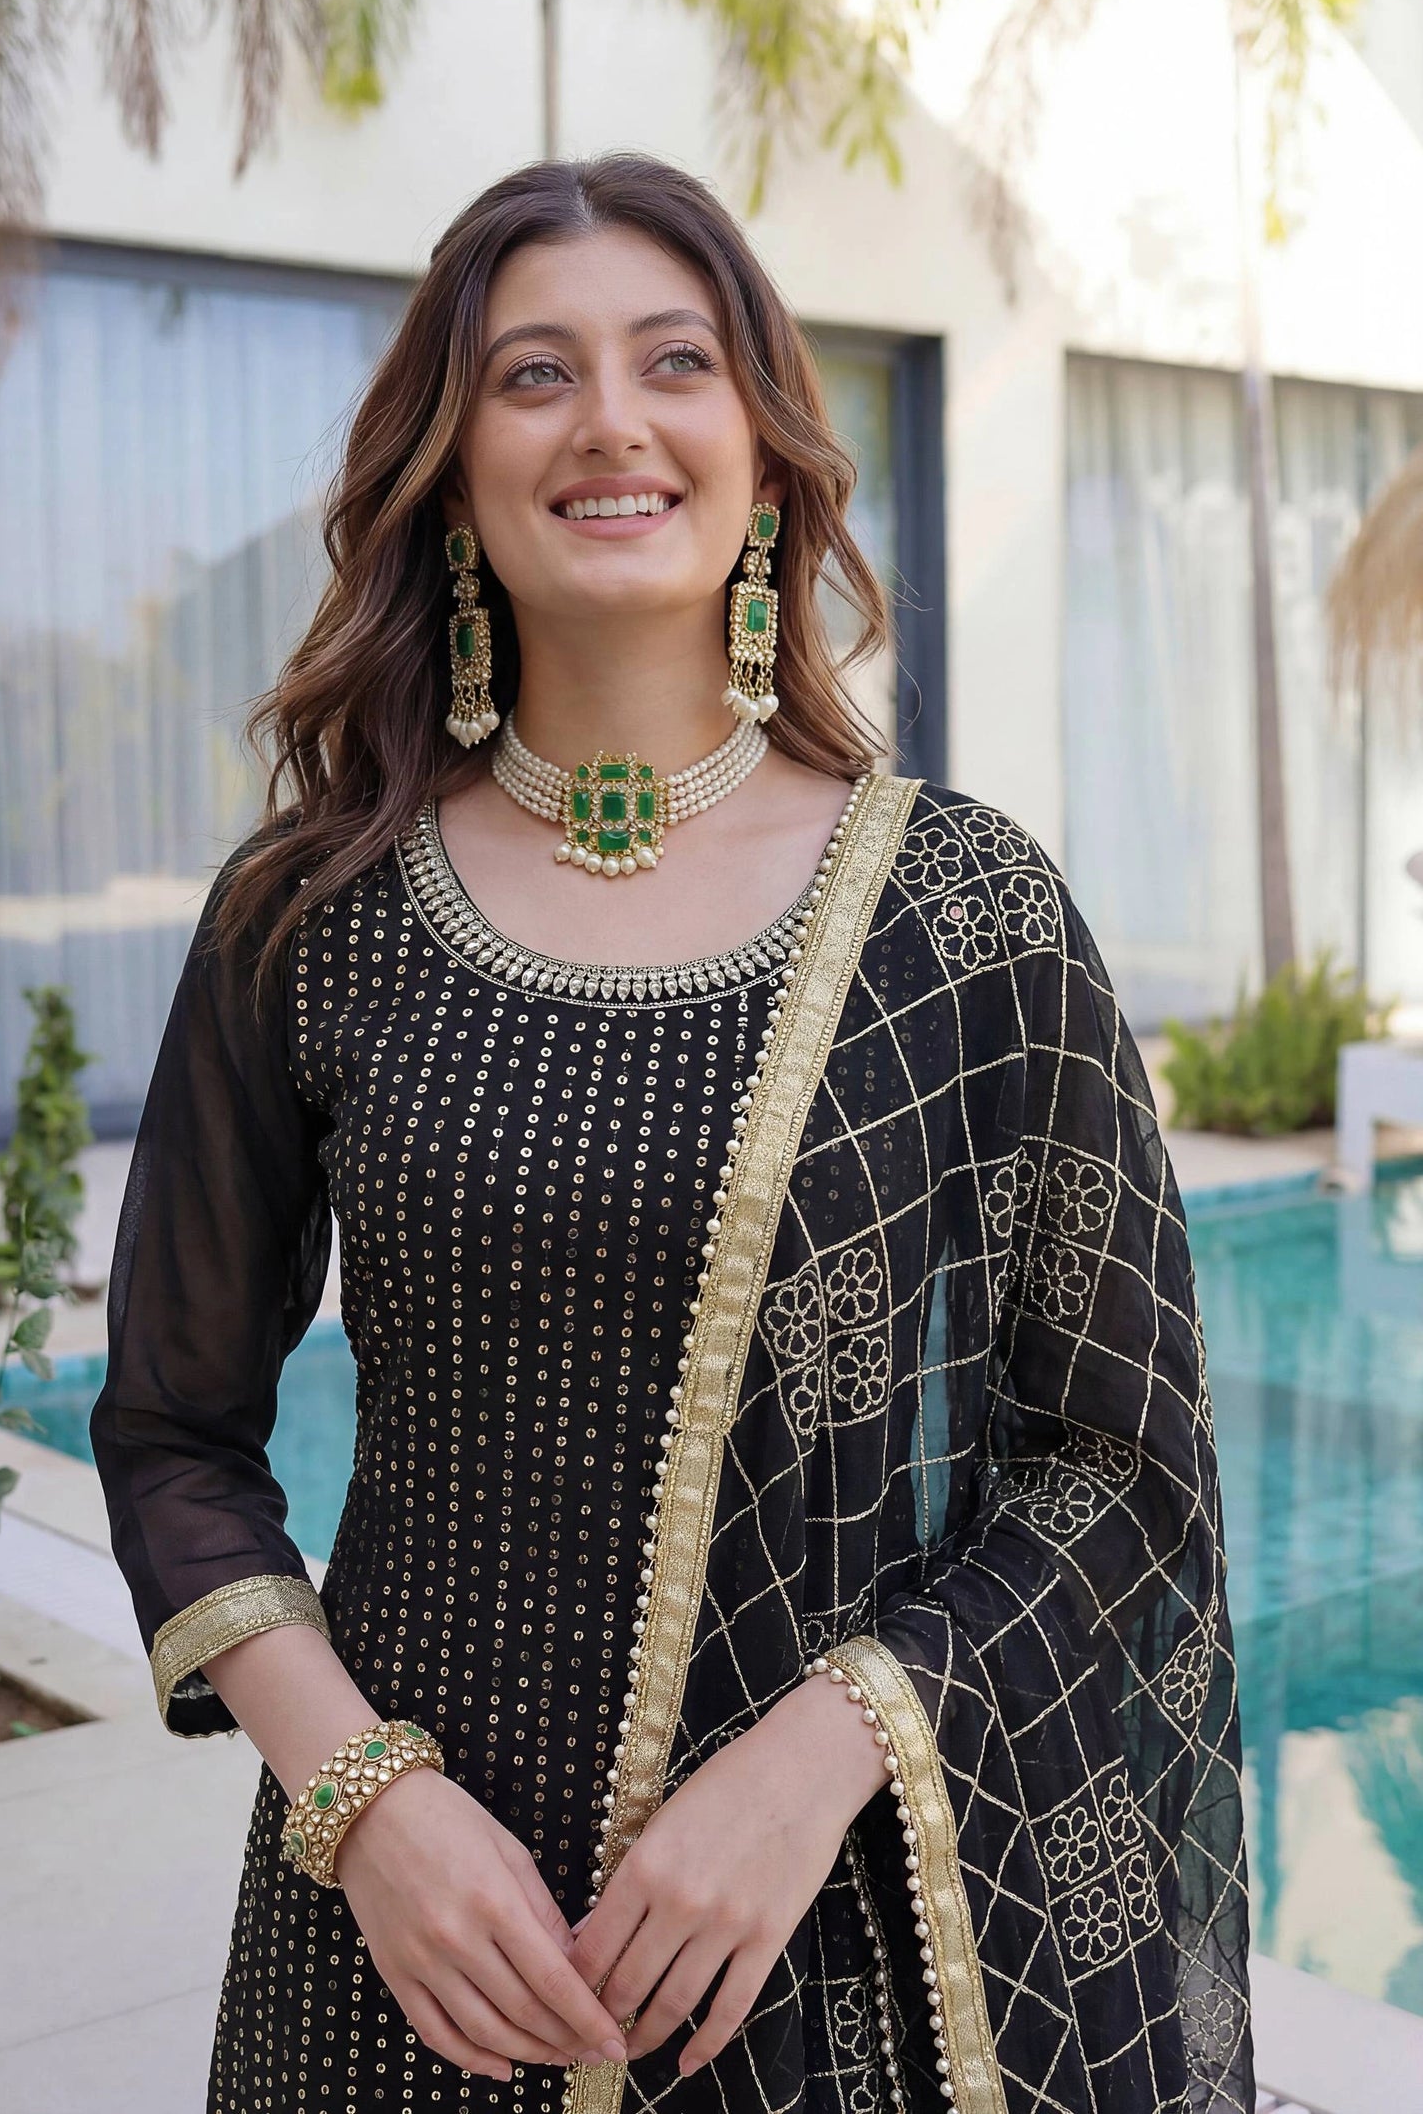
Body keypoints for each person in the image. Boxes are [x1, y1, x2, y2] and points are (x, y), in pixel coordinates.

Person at [90, 152, 1254, 2114]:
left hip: (823, 1947)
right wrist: (364, 1806)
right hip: (403, 1957)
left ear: (766, 454)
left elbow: (1113, 1462)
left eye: (674, 362)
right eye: (532, 376)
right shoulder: (312, 909)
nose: (609, 420)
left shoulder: (958, 911)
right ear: (450, 475)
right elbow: (172, 1429)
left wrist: (820, 1756)